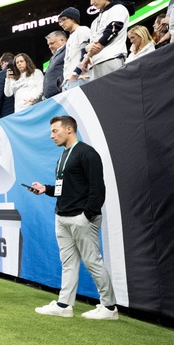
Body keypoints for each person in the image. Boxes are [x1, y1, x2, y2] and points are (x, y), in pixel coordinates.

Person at [28, 116, 118, 320]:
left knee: (92, 261)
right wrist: (46, 189)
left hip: (81, 218)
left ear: (69, 129)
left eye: (54, 131)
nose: (51, 135)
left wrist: (87, 215)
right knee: (68, 263)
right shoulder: (63, 156)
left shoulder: (87, 153)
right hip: (62, 217)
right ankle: (64, 305)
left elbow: (97, 188)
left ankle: (109, 307)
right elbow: (65, 188)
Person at [83, 0, 131, 80]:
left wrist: (93, 48)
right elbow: (90, 43)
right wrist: (88, 53)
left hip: (111, 58)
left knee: (116, 93)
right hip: (94, 63)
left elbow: (112, 31)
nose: (91, 3)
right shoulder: (95, 21)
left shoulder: (118, 8)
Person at [55, 7, 89, 91]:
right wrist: (66, 79)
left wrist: (75, 74)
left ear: (73, 19)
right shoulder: (70, 38)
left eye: (63, 19)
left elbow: (85, 54)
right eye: (59, 22)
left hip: (80, 77)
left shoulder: (82, 30)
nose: (62, 23)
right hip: (69, 80)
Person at [0, 52, 16, 120]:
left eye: (1, 65)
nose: (1, 68)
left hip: (7, 110)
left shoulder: (2, 74)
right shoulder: (20, 70)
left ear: (4, 62)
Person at [42, 31, 66, 99]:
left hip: (62, 93)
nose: (50, 47)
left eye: (52, 43)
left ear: (62, 40)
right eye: (48, 44)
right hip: (52, 96)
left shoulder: (67, 50)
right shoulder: (53, 57)